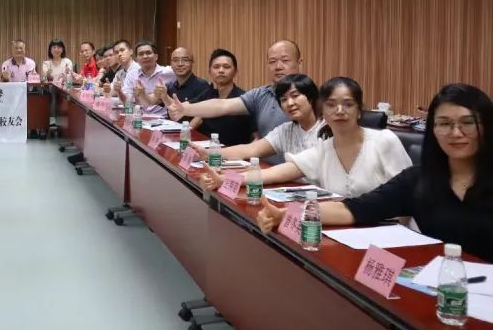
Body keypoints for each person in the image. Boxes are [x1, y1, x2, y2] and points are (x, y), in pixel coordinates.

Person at [257, 83, 493, 262]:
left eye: (467, 123)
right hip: (444, 292)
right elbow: (354, 209)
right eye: (444, 124)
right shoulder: (418, 180)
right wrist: (285, 214)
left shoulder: (382, 142)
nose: (455, 133)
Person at [203, 77, 411, 198]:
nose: (339, 111)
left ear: (359, 110)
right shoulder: (324, 149)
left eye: (348, 104)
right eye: (331, 105)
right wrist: (224, 179)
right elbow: (274, 173)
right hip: (346, 226)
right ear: (324, 110)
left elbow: (409, 197)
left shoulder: (385, 141)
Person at [166, 39, 304, 161]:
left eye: (285, 60)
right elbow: (222, 105)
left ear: (299, 63)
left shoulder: (309, 97)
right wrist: (184, 109)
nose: (278, 66)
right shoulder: (261, 94)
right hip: (263, 168)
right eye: (272, 61)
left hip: (299, 175)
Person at [195, 74, 323, 166]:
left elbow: (294, 170)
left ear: (311, 97)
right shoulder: (285, 130)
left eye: (295, 96)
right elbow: (251, 149)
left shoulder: (327, 130)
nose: (290, 103)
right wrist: (209, 153)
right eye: (283, 99)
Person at [190, 49, 255, 148]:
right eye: (216, 67)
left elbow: (256, 137)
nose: (221, 70)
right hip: (205, 152)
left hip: (234, 154)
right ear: (210, 72)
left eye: (226, 67)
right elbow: (188, 110)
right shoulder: (207, 95)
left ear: (235, 72)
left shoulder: (244, 99)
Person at [121, 40, 174, 116]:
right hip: (140, 117)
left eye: (148, 53)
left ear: (156, 57)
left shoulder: (169, 72)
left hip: (163, 117)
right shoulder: (132, 75)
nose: (145, 56)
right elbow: (128, 100)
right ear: (137, 59)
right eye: (141, 54)